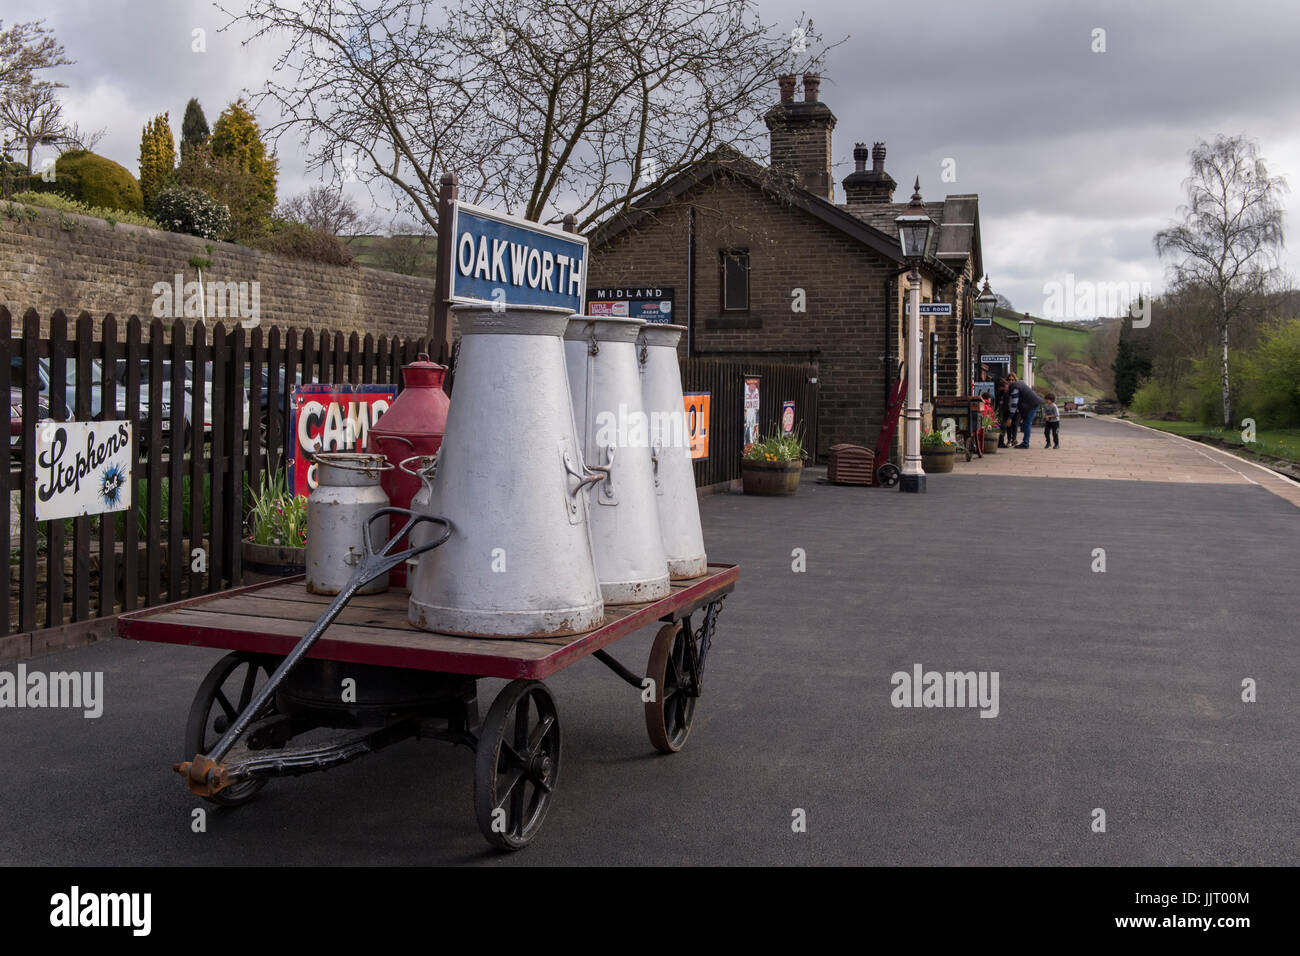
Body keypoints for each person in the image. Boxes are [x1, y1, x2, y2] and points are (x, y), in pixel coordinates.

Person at [1007, 376, 1044, 448]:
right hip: (1032, 404)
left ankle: (1025, 444)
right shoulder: (1016, 386)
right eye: (1009, 380)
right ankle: (1025, 442)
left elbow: (1014, 404)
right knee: (1025, 424)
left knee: (1027, 424)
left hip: (1032, 405)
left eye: (1003, 389)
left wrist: (1010, 418)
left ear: (1006, 387)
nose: (1004, 391)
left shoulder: (1014, 389)